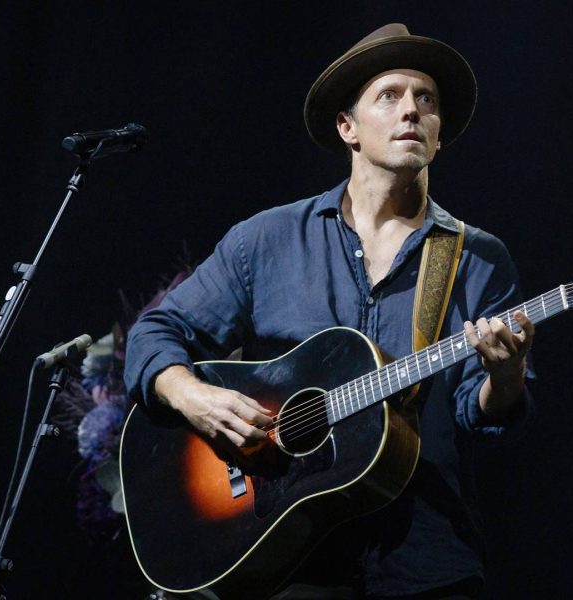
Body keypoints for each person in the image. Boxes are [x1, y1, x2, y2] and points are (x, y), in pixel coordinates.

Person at [125, 23, 536, 599]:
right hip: (286, 558)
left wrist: (506, 372)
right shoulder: (266, 241)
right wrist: (193, 396)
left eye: (427, 101)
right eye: (390, 96)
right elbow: (156, 332)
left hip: (423, 562)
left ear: (440, 135)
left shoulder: (478, 257)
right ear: (348, 128)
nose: (412, 112)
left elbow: (482, 416)